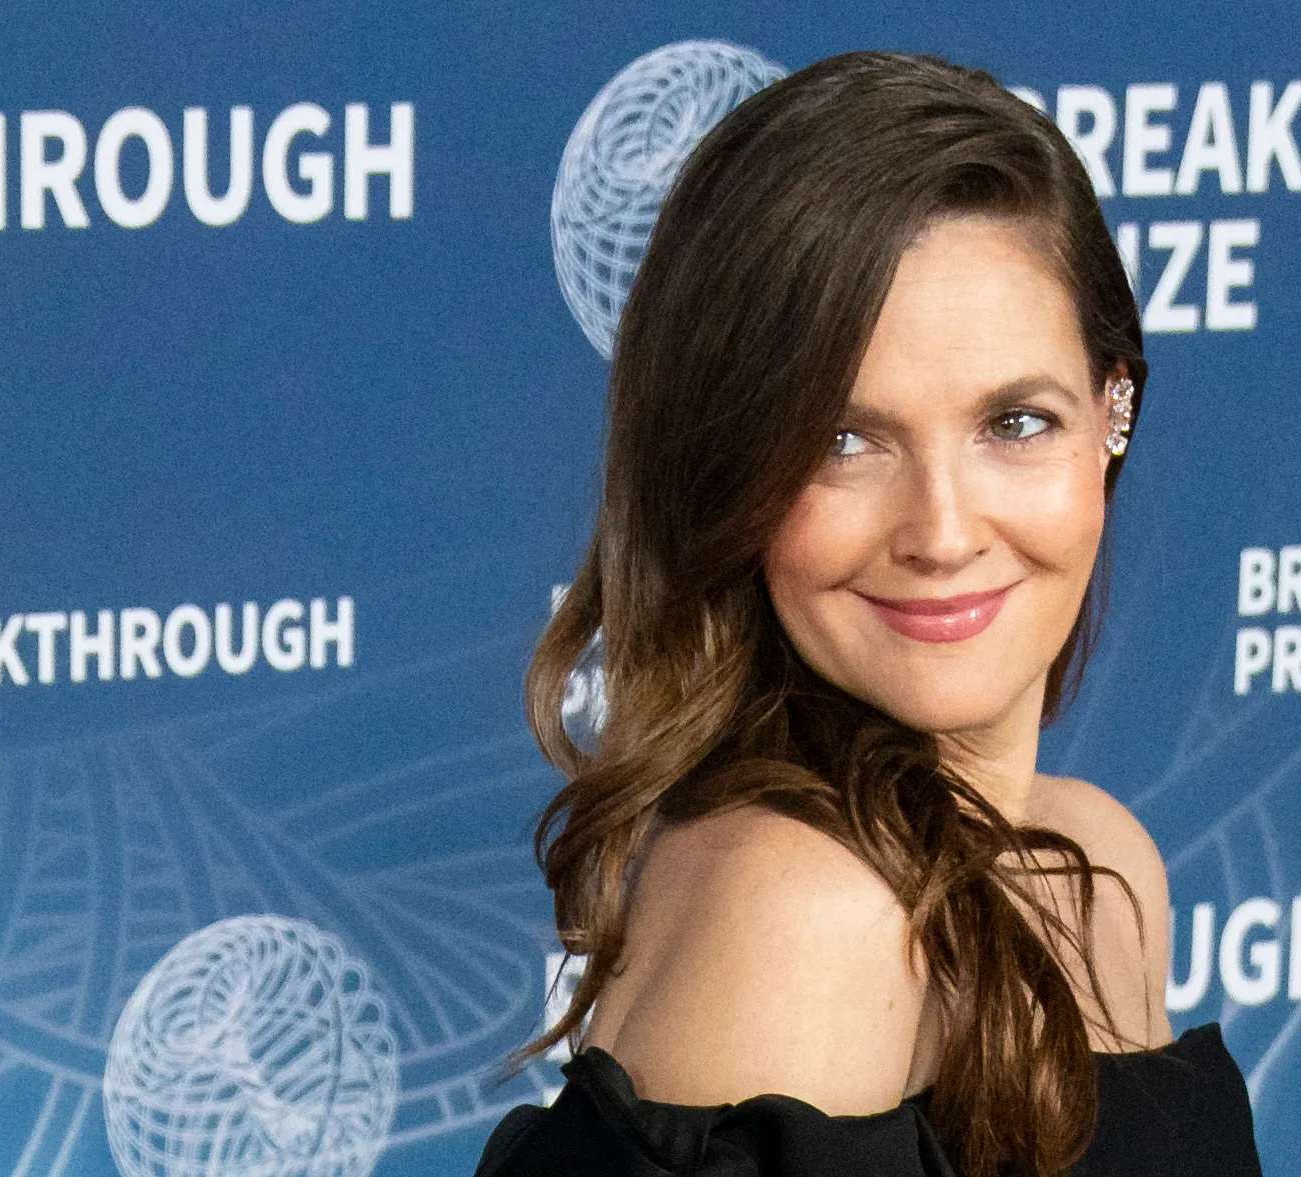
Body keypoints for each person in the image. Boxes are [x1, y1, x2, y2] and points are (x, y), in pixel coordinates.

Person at [477, 50, 1261, 1177]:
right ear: (732, 473)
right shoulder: (804, 914)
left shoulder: (1099, 868)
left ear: (1113, 409)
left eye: (1016, 422)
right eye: (845, 441)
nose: (941, 531)